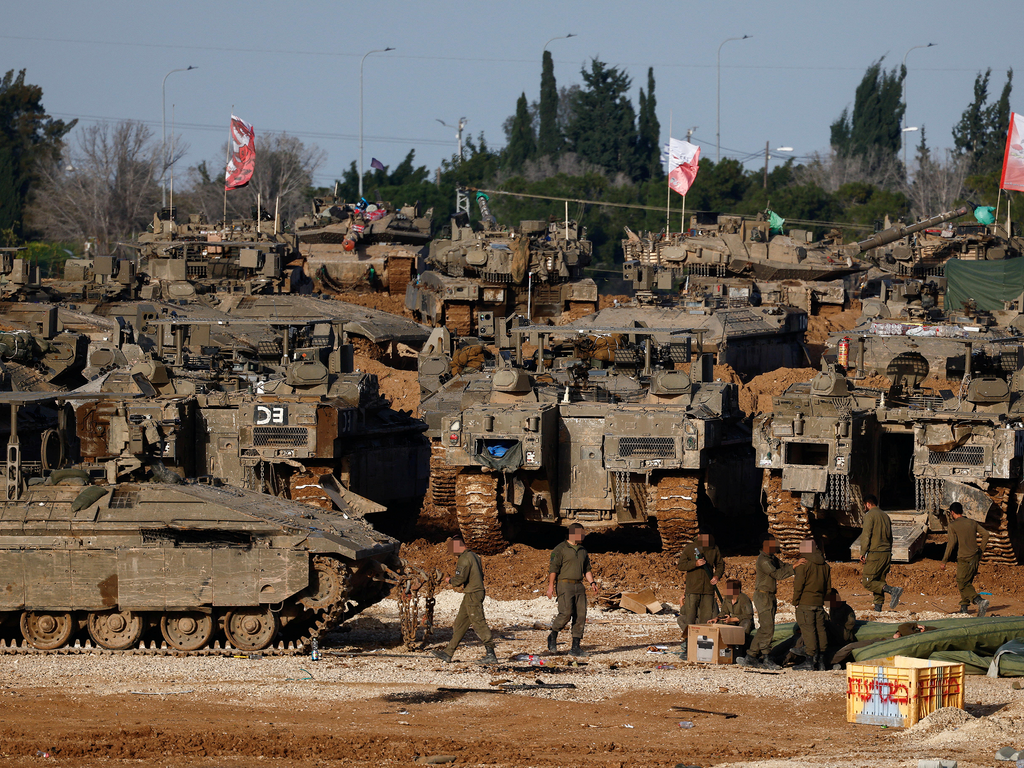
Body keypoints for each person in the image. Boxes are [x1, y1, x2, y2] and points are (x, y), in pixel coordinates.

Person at [431, 535, 497, 664]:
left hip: (473, 594)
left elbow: (459, 580)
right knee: (460, 624)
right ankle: (448, 653)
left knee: (479, 623)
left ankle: (491, 654)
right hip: (473, 593)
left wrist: (449, 580)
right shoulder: (474, 556)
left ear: (458, 546)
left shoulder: (464, 559)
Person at [745, 533, 800, 669]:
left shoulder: (771, 558)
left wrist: (795, 565)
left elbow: (783, 566)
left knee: (765, 628)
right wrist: (794, 567)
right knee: (768, 629)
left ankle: (751, 656)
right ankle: (766, 658)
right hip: (763, 596)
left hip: (769, 596)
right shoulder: (764, 561)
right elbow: (778, 574)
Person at [547, 524, 599, 657]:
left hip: (579, 585)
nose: (583, 536)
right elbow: (553, 569)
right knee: (565, 613)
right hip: (565, 585)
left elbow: (587, 569)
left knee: (580, 615)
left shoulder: (582, 550)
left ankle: (575, 647)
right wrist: (551, 586)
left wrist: (592, 582)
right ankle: (553, 635)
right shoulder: (560, 549)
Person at [676, 532, 724, 658]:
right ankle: (688, 648)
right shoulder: (690, 548)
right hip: (693, 589)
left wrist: (717, 576)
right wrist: (694, 564)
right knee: (690, 619)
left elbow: (720, 564)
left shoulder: (714, 548)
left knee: (705, 620)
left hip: (708, 590)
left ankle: (703, 649)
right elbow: (681, 565)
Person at [940, 502, 990, 616]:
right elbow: (986, 534)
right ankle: (964, 607)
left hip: (964, 558)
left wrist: (944, 561)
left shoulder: (953, 525)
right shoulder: (972, 522)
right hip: (975, 557)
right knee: (967, 582)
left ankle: (979, 601)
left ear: (952, 512)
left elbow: (951, 544)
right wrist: (981, 551)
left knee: (961, 582)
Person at [792, 538, 831, 671]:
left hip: (805, 602)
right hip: (819, 603)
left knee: (809, 631)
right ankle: (821, 662)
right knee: (821, 630)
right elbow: (828, 589)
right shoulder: (825, 566)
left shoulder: (804, 564)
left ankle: (809, 660)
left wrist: (795, 601)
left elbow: (798, 585)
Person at [858, 495, 903, 612]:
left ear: (868, 503)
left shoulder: (870, 516)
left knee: (868, 581)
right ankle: (878, 609)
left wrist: (863, 552)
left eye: (864, 504)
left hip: (875, 553)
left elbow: (866, 535)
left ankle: (893, 590)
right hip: (886, 553)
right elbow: (891, 537)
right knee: (879, 580)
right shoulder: (885, 516)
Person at [710, 579, 754, 662]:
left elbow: (748, 615)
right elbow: (724, 612)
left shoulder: (743, 598)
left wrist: (732, 619)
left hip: (743, 621)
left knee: (746, 624)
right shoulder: (727, 598)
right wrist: (716, 618)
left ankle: (741, 650)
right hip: (732, 621)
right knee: (719, 624)